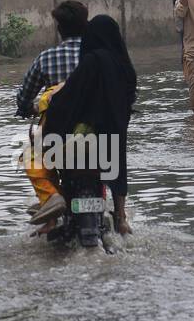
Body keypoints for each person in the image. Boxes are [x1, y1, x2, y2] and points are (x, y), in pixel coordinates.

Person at [41, 15, 137, 234]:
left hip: (84, 137)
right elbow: (127, 104)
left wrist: (52, 110)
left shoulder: (91, 62)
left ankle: (52, 210)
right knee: (118, 169)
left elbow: (69, 97)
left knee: (42, 155)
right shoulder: (126, 68)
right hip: (112, 137)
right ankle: (121, 217)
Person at [15, 0, 88, 216]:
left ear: (59, 29)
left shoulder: (46, 58)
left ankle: (52, 197)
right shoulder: (99, 57)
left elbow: (24, 97)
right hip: (97, 132)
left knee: (30, 155)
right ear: (86, 25)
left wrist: (28, 107)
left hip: (58, 134)